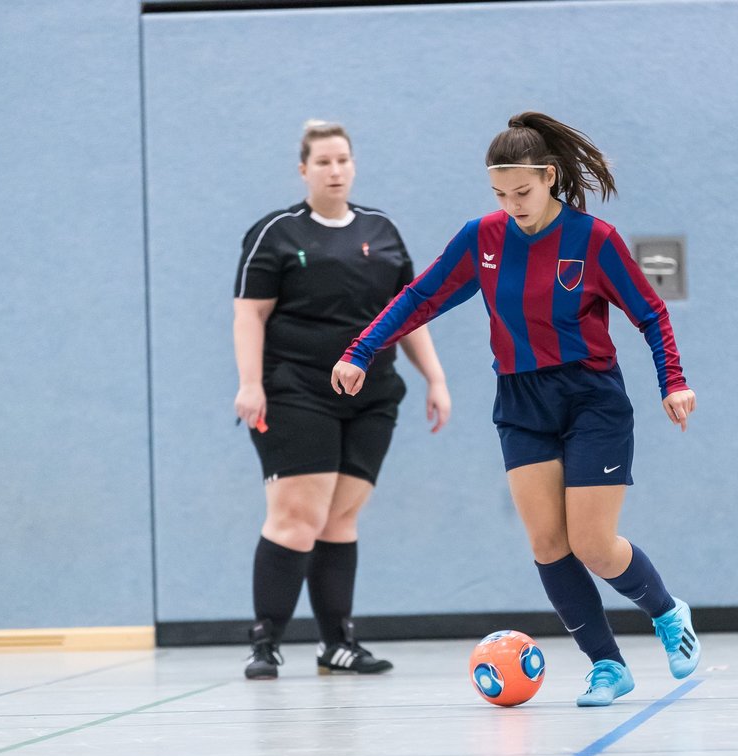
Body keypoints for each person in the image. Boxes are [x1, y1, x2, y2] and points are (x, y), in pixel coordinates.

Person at [331, 112, 701, 706]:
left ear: (550, 177)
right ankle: (607, 665)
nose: (513, 204)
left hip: (591, 398)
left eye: (522, 192)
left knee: (593, 544)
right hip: (520, 400)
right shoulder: (484, 238)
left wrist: (673, 382)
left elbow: (650, 313)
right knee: (548, 543)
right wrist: (361, 350)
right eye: (500, 194)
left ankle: (665, 610)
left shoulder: (594, 240)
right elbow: (421, 296)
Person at [234, 120, 452, 680]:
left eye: (343, 160)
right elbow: (249, 313)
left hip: (373, 394)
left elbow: (407, 313)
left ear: (354, 166)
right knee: (297, 516)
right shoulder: (276, 233)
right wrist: (251, 383)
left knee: (341, 517)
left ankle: (338, 642)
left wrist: (435, 378)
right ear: (304, 169)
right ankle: (266, 641)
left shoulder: (382, 231)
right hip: (296, 389)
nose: (335, 170)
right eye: (323, 161)